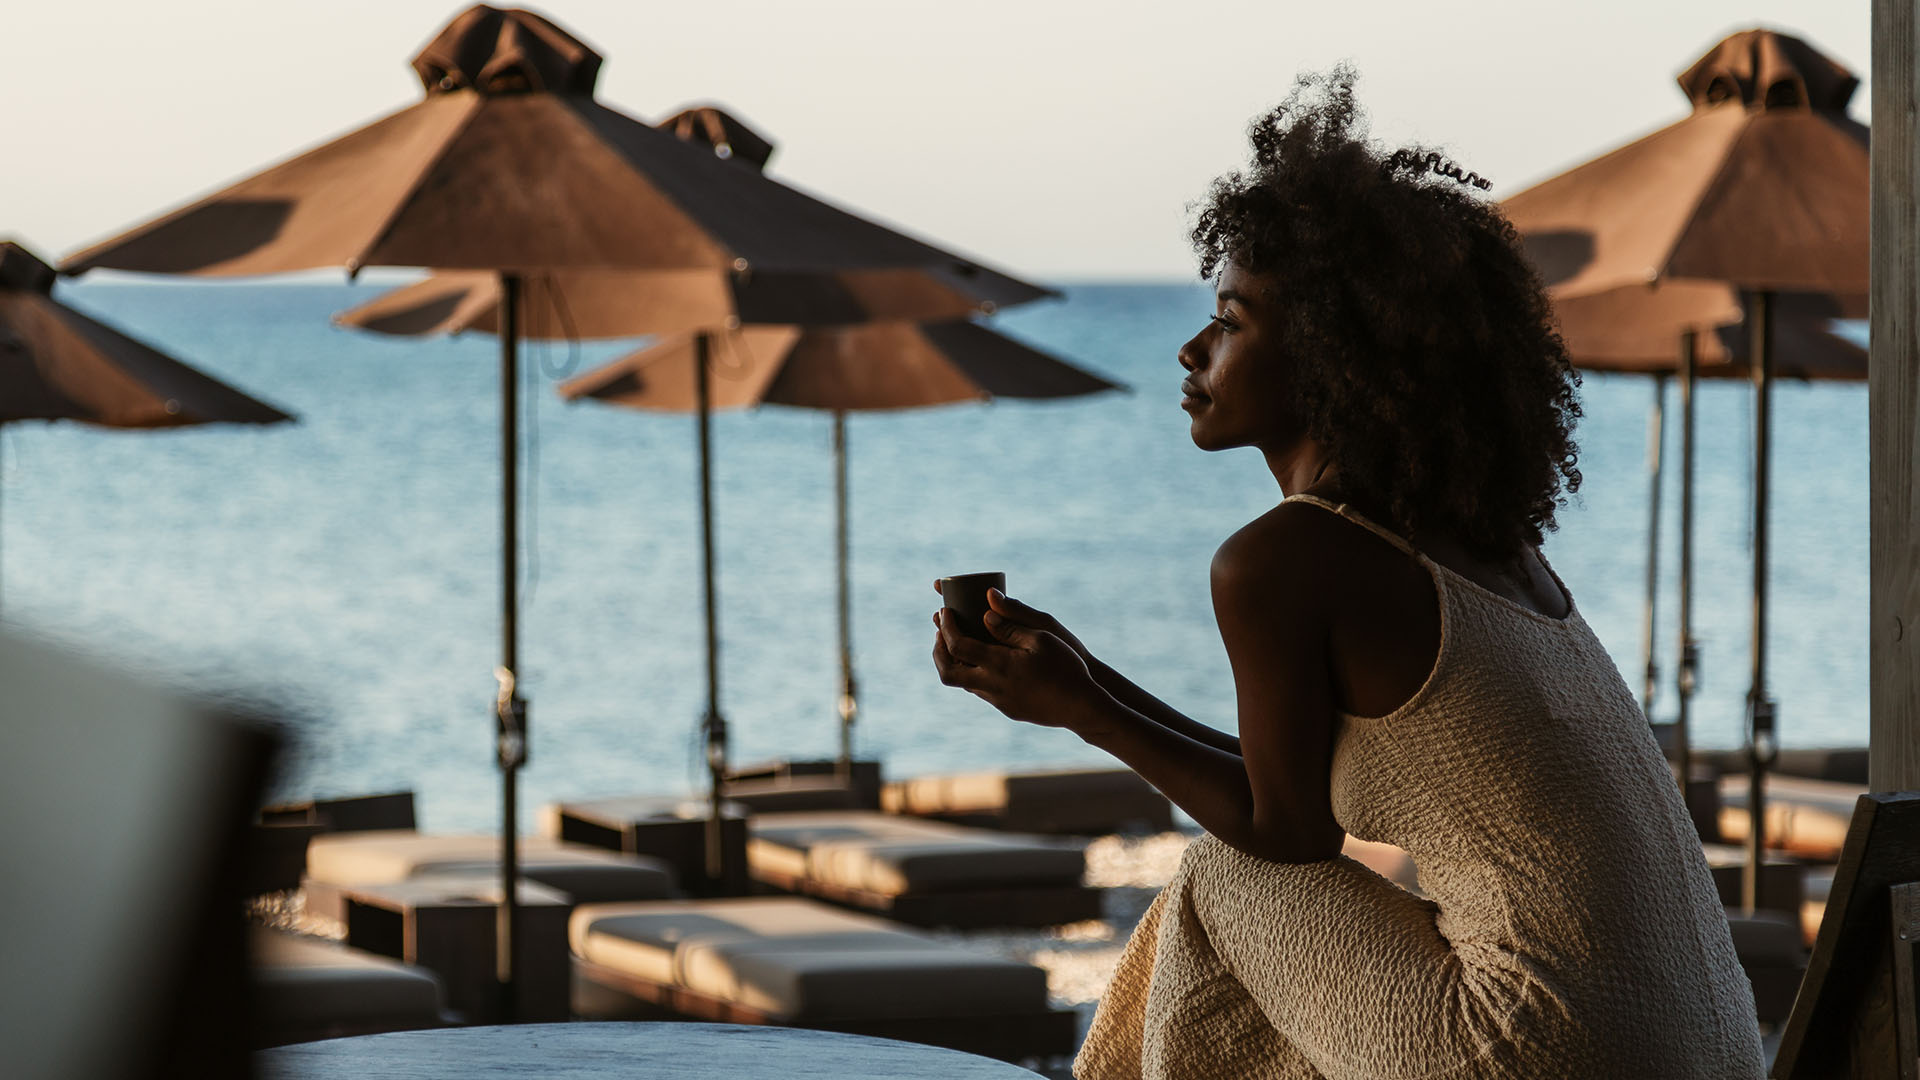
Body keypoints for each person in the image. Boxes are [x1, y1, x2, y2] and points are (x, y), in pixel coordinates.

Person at [931, 68, 1764, 1080]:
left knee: (1222, 880)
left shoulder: (1283, 559)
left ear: (1330, 357)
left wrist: (1084, 711)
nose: (1193, 350)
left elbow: (1284, 836)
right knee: (1230, 890)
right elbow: (1295, 792)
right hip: (1714, 1050)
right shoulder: (1484, 549)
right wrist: (1085, 679)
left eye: (1232, 323)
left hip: (1544, 1052)